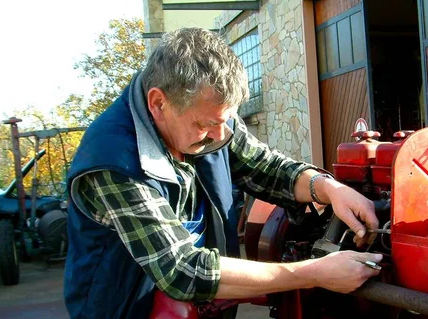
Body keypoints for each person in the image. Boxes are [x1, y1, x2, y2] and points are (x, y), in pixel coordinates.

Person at [63, 27, 382, 319]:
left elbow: (267, 169)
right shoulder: (114, 163)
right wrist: (311, 272)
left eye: (225, 120)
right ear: (158, 103)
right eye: (205, 125)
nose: (219, 135)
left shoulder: (211, 118)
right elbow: (182, 270)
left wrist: (328, 188)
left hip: (202, 307)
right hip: (128, 308)